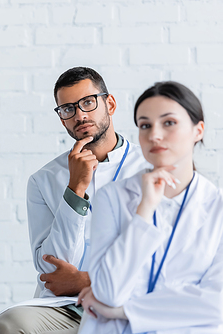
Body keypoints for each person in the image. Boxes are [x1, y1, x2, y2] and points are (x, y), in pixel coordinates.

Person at [0, 67, 150, 333]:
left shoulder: (148, 169)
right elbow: (49, 267)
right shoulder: (44, 179)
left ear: (109, 104)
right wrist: (75, 190)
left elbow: (162, 260)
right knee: (9, 324)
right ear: (62, 119)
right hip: (66, 307)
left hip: (130, 304)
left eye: (88, 102)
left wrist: (85, 281)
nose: (80, 115)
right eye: (68, 109)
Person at [78, 81, 223, 333]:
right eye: (145, 125)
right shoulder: (112, 197)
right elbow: (108, 292)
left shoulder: (217, 207)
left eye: (168, 123)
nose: (154, 134)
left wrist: (123, 311)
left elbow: (216, 304)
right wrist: (144, 211)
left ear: (198, 130)